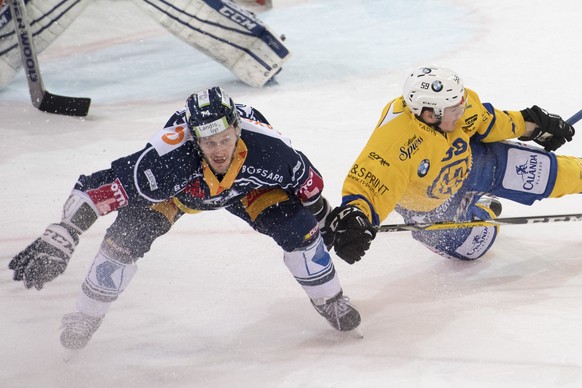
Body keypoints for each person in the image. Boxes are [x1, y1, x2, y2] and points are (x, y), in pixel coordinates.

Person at [9, 87, 361, 350]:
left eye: (225, 139)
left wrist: (321, 220)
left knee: (299, 229)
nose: (219, 151)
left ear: (238, 129)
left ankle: (329, 299)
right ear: (193, 138)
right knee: (123, 240)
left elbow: (307, 185)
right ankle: (85, 316)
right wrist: (64, 233)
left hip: (246, 190)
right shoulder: (165, 160)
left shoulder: (271, 149)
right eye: (209, 143)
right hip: (178, 195)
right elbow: (96, 189)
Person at [323, 65, 579, 264]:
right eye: (453, 111)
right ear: (428, 114)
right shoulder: (397, 143)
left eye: (461, 106)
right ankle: (480, 207)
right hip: (431, 210)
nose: (461, 113)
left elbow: (486, 121)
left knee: (550, 173)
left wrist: (528, 124)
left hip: (477, 162)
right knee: (477, 244)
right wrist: (356, 217)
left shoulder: (452, 103)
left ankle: (478, 196)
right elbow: (370, 184)